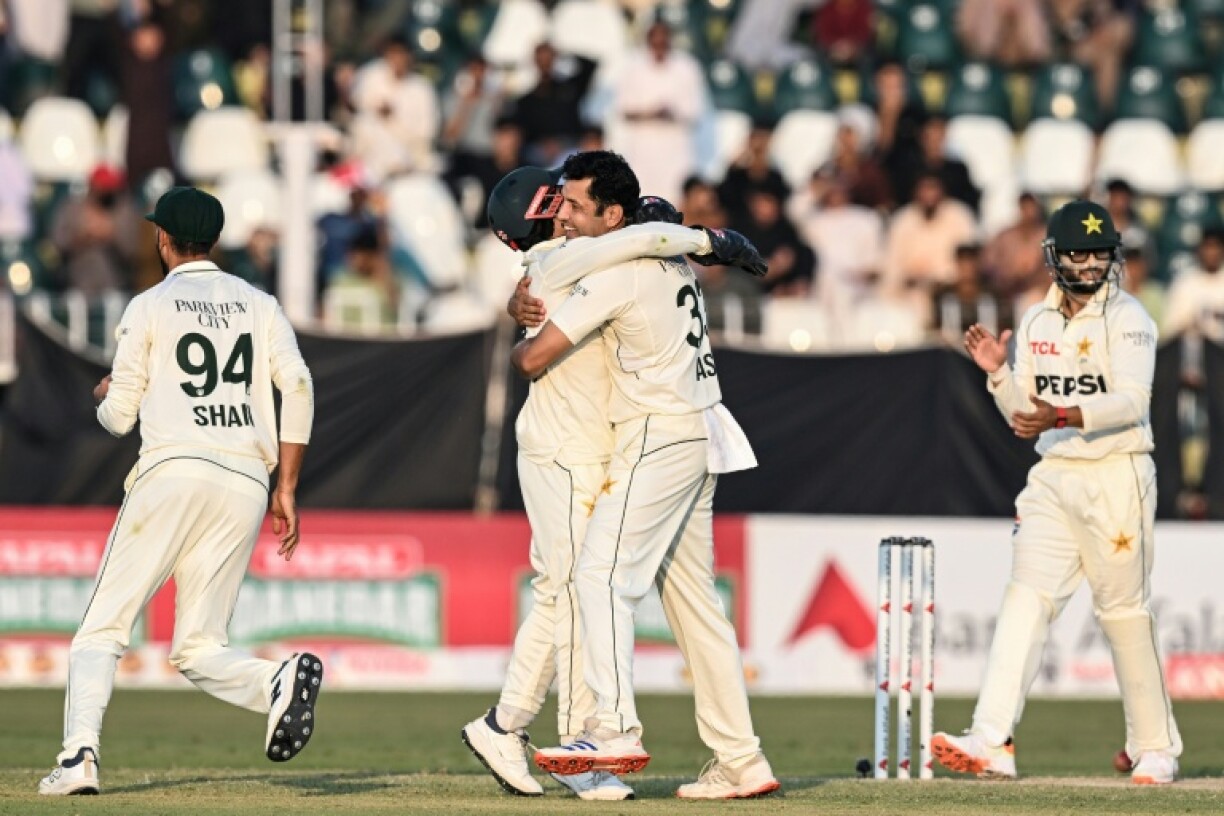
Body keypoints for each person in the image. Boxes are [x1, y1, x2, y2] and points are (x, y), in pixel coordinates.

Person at [462, 167, 766, 801]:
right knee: (598, 591)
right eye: (560, 203)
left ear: (616, 218)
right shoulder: (586, 260)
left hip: (636, 438)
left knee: (583, 586)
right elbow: (645, 242)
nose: (569, 213)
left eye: (577, 204)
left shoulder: (597, 263)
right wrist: (710, 241)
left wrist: (695, 237)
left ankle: (554, 730)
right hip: (585, 446)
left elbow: (633, 249)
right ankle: (629, 746)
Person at [39, 187, 320, 796]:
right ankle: (276, 681)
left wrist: (106, 394)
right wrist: (287, 486)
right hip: (245, 480)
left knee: (101, 629)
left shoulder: (150, 304)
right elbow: (297, 384)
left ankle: (78, 758)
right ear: (214, 242)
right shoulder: (259, 302)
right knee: (197, 647)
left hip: (172, 472)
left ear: (164, 241)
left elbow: (119, 418)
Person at [933, 200, 1181, 785]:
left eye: (1101, 253)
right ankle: (992, 739)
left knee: (1122, 613)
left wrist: (1062, 414)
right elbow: (1026, 417)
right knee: (1025, 600)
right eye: (1079, 253)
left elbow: (1131, 403)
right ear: (1054, 256)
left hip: (1116, 474)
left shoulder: (1130, 318)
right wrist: (999, 374)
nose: (1092, 264)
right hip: (1053, 477)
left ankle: (1154, 747)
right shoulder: (1037, 322)